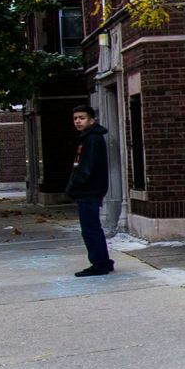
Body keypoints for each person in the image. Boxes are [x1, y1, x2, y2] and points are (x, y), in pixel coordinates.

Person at [65, 102, 114, 274]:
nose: (78, 121)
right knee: (93, 228)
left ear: (91, 120)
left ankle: (99, 264)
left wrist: (73, 187)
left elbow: (85, 168)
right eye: (75, 119)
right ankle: (104, 261)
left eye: (82, 118)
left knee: (90, 229)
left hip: (88, 191)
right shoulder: (89, 138)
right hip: (89, 190)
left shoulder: (91, 139)